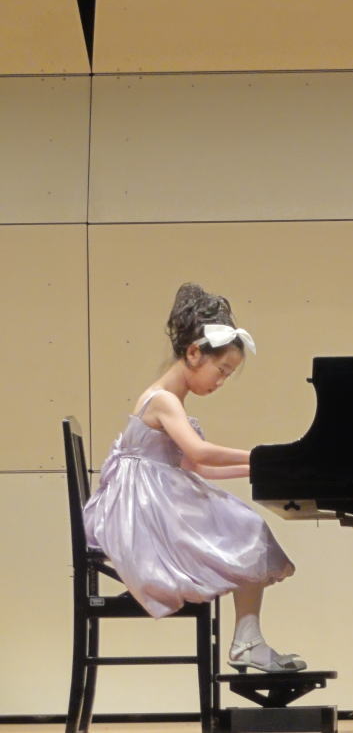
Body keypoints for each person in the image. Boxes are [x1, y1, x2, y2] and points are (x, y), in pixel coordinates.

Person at [83, 282, 305, 672]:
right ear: (193, 353)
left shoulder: (171, 401)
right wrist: (264, 456)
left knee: (245, 527)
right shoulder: (163, 400)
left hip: (155, 497)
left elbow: (197, 467)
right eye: (221, 372)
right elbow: (200, 453)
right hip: (143, 510)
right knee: (246, 530)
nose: (220, 383)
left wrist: (260, 468)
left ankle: (248, 639)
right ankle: (247, 641)